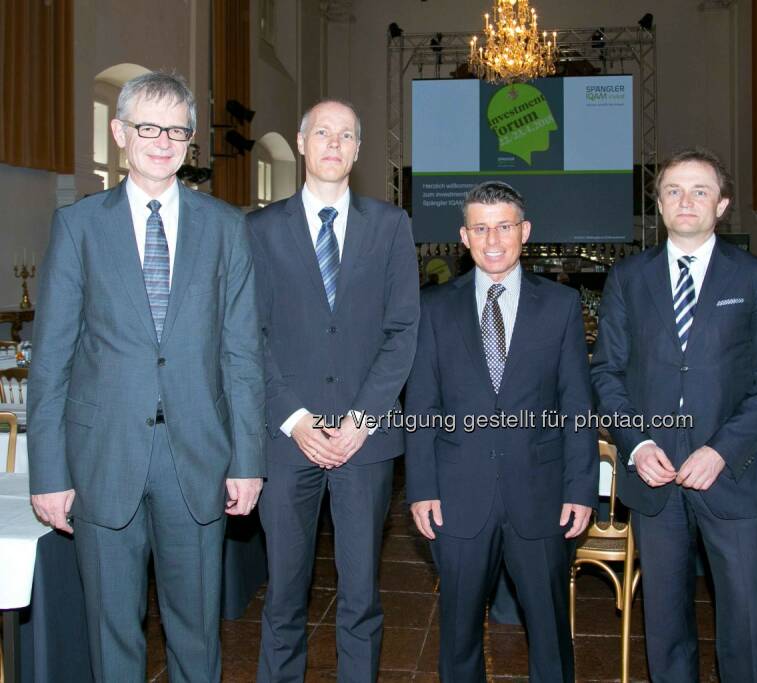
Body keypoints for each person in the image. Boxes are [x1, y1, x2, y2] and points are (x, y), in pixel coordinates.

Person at [28, 71, 265, 682]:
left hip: (198, 456)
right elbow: (51, 358)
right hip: (104, 454)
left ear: (190, 142)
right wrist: (49, 472)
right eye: (148, 127)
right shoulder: (79, 227)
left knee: (197, 633)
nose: (163, 141)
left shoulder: (225, 228)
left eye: (177, 130)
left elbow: (241, 354)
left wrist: (248, 459)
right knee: (112, 633)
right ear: (120, 132)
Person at [590, 148, 757, 682]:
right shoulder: (628, 277)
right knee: (664, 623)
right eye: (674, 191)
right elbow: (606, 374)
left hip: (731, 475)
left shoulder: (755, 277)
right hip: (653, 479)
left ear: (722, 205)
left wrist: (721, 451)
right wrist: (636, 444)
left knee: (747, 623)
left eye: (700, 191)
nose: (686, 201)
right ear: (658, 204)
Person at [248, 99, 419, 682]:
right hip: (286, 439)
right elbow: (252, 336)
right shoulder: (260, 229)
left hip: (363, 443)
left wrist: (361, 419)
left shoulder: (392, 226)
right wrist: (295, 418)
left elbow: (402, 332)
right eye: (322, 132)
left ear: (358, 150)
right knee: (283, 595)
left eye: (346, 134)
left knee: (361, 597)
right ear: (300, 143)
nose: (333, 143)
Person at [405, 181, 596, 682]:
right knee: (459, 634)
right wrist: (421, 487)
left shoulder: (559, 305)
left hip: (541, 495)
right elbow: (421, 405)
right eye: (481, 227)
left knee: (551, 633)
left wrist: (581, 488)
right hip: (458, 497)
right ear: (464, 236)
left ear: (525, 231)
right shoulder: (434, 309)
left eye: (504, 226)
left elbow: (577, 404)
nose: (493, 239)